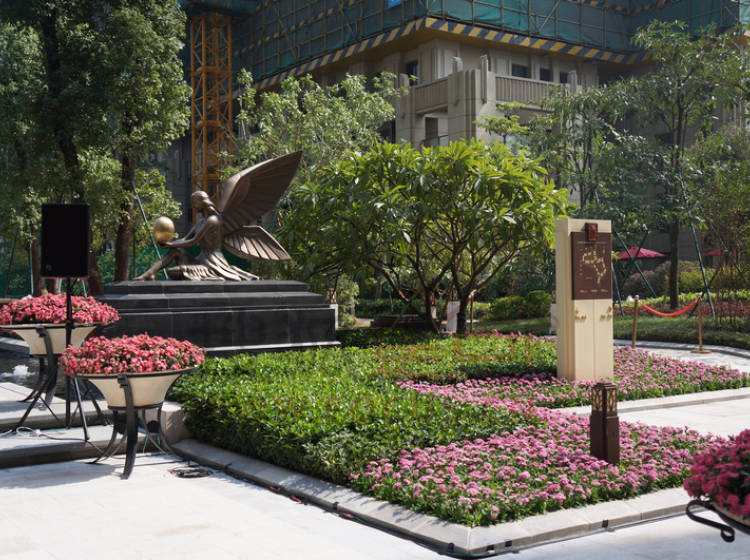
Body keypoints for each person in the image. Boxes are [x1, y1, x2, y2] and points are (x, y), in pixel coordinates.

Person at [135, 190, 257, 281]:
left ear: (202, 202)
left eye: (195, 203)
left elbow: (193, 241)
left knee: (172, 272)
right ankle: (150, 273)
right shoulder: (201, 222)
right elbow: (185, 239)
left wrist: (169, 244)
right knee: (176, 251)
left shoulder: (213, 220)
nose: (193, 206)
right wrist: (169, 244)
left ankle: (210, 275)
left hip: (213, 262)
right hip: (201, 259)